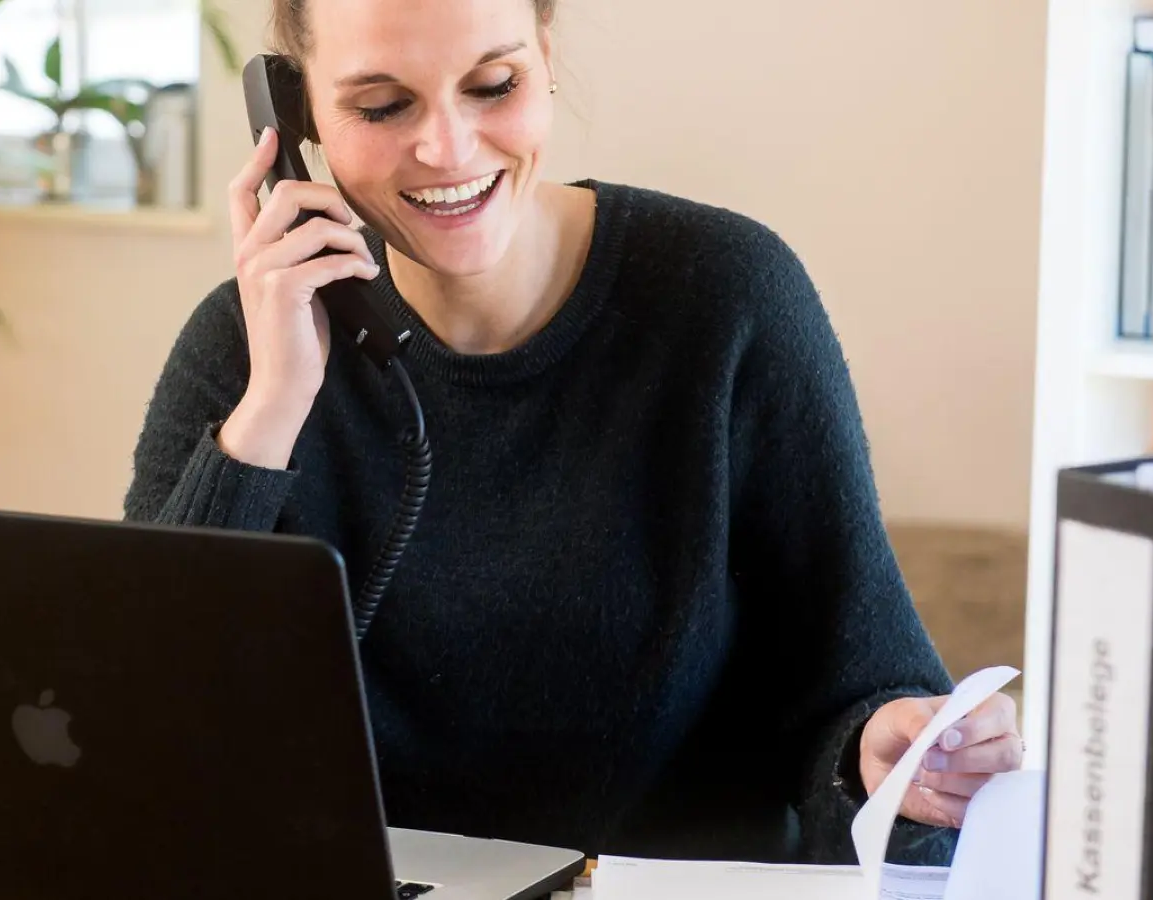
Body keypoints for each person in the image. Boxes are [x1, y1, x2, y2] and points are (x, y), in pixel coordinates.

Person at [122, 0, 1023, 866]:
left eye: (493, 85)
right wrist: (274, 406)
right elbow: (138, 733)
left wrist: (893, 761)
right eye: (382, 105)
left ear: (545, 61)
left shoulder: (728, 299)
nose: (446, 147)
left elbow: (866, 693)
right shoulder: (248, 341)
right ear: (293, 115)